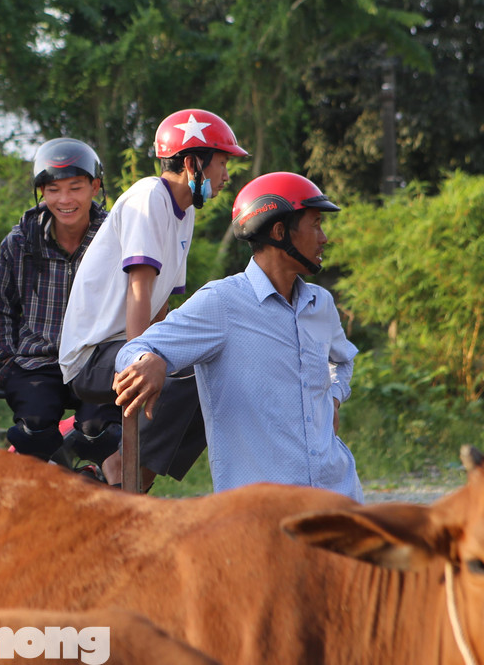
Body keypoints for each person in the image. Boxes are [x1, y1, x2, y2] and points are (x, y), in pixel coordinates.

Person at [112, 172, 363, 502]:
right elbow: (136, 349)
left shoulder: (321, 303)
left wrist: (333, 397)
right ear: (279, 231)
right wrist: (151, 361)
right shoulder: (221, 303)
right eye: (315, 224)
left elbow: (342, 362)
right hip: (260, 512)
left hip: (339, 493)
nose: (324, 237)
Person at [58, 109, 248, 489]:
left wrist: (169, 349)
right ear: (194, 162)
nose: (226, 176)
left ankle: (133, 479)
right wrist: (142, 358)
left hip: (126, 344)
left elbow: (162, 305)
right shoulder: (149, 197)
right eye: (222, 162)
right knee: (197, 369)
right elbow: (140, 290)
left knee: (220, 365)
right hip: (93, 356)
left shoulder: (184, 212)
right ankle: (123, 468)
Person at [0, 137, 116, 467]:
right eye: (54, 189)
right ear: (41, 192)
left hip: (95, 360)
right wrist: (2, 362)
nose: (65, 199)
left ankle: (84, 474)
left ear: (95, 186)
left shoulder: (116, 236)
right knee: (34, 430)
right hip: (38, 361)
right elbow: (0, 308)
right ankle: (43, 479)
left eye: (75, 187)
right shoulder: (20, 242)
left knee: (99, 434)